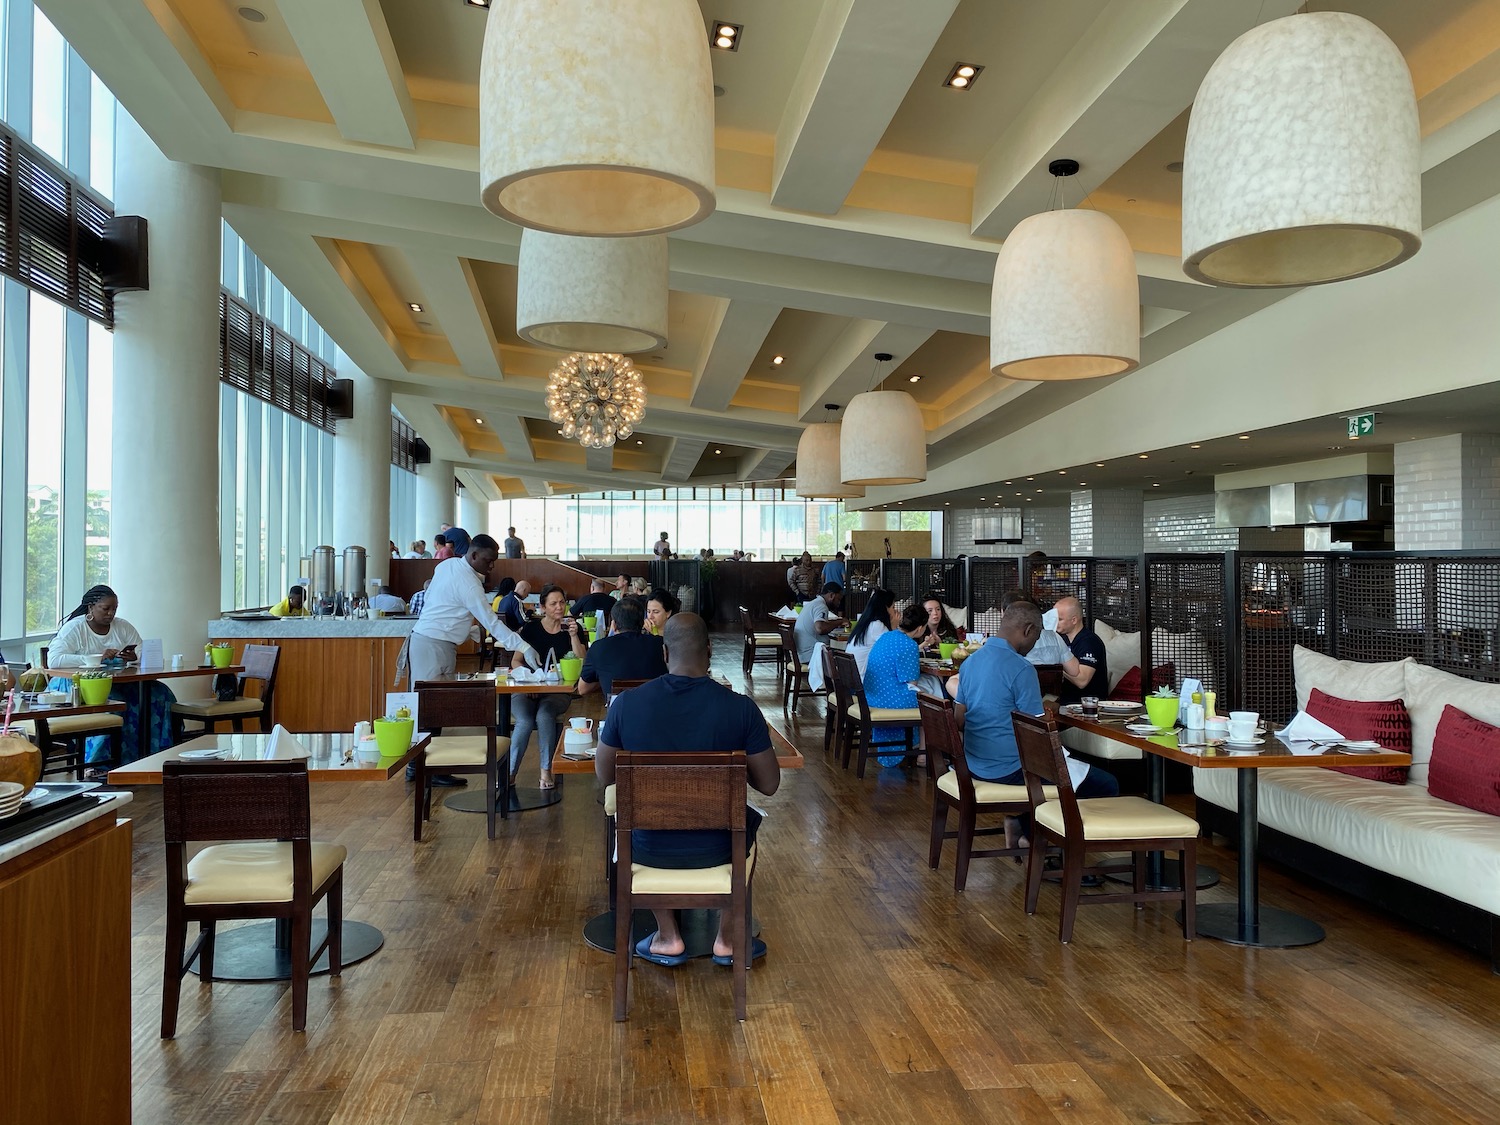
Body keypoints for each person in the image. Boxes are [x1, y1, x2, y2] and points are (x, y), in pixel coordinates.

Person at [596, 613, 779, 967]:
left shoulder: (627, 705)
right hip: (720, 851)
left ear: (664, 653)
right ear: (709, 651)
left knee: (633, 824)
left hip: (647, 850)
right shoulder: (741, 709)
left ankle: (668, 936)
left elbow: (605, 776)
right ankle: (727, 939)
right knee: (749, 827)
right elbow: (769, 785)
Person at [951, 601, 1117, 847]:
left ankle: (1026, 825)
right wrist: (1049, 717)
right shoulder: (1021, 668)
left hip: (974, 763)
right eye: (1038, 634)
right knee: (1106, 784)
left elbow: (959, 719)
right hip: (1009, 768)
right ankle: (1054, 849)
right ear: (1028, 630)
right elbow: (1036, 736)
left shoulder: (971, 662)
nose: (1036, 642)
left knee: (1068, 774)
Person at [402, 534, 538, 785]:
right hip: (431, 645)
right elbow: (492, 623)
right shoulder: (469, 583)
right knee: (427, 710)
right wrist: (524, 646)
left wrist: (466, 629)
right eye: (488, 560)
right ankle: (417, 768)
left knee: (436, 709)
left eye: (494, 561)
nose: (492, 566)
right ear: (473, 555)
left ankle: (432, 768)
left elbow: (443, 604)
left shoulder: (447, 565)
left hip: (436, 643)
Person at [48, 584, 172, 765]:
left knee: (160, 694)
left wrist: (134, 657)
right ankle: (98, 763)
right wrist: (95, 659)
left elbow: (143, 652)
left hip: (117, 682)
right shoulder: (75, 628)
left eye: (114, 609)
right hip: (76, 684)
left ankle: (155, 754)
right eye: (106, 609)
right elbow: (55, 661)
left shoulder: (122, 627)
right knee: (114, 702)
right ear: (91, 607)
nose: (111, 613)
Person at [509, 584, 587, 789]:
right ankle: (510, 773)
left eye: (562, 602)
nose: (559, 607)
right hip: (527, 688)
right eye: (553, 604)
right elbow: (515, 661)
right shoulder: (531, 629)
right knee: (524, 721)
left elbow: (583, 663)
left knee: (544, 716)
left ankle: (546, 771)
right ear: (543, 607)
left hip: (556, 692)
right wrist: (531, 681)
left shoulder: (572, 629)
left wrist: (573, 636)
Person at [861, 603, 931, 766]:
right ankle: (923, 753)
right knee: (931, 702)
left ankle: (915, 747)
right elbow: (911, 682)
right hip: (890, 701)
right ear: (920, 628)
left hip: (872, 696)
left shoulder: (887, 636)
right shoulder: (909, 645)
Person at [577, 596, 666, 697]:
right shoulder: (660, 644)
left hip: (618, 710)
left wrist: (604, 676)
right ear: (642, 623)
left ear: (614, 625)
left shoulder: (599, 647)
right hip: (655, 708)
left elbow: (582, 689)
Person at [1001, 590, 1080, 677]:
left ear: (1005, 613)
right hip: (1050, 690)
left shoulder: (1005, 644)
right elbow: (1074, 671)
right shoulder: (1054, 637)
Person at [1053, 596, 1107, 707]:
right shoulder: (1061, 638)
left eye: (1060, 619)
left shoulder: (1090, 642)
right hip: (1063, 702)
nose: (1055, 622)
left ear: (1074, 620)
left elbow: (1082, 681)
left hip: (1086, 706)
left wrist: (1055, 668)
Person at [846, 587, 896, 677]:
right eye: (893, 607)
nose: (894, 611)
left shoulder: (865, 624)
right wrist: (894, 627)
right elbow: (894, 652)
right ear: (885, 608)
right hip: (865, 680)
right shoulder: (877, 625)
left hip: (854, 678)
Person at [793, 581, 846, 666]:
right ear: (831, 595)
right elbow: (820, 629)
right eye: (838, 599)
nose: (839, 603)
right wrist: (840, 621)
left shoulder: (814, 603)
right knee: (847, 658)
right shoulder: (821, 606)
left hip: (803, 654)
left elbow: (821, 624)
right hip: (812, 655)